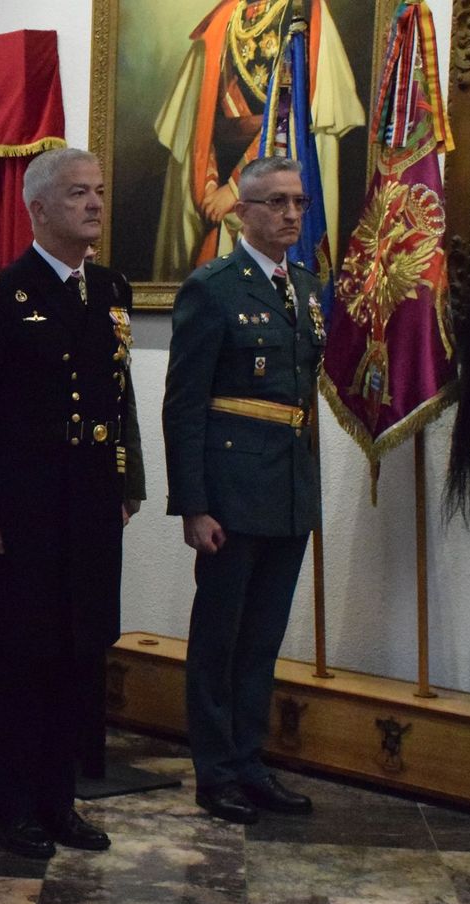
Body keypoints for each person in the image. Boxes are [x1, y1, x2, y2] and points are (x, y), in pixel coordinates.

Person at [0, 147, 146, 860]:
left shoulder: (109, 290)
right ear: (37, 209)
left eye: (99, 191)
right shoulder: (2, 295)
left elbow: (116, 404)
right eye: (77, 194)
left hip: (89, 504)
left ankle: (62, 802)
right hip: (22, 510)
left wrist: (119, 485)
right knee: (24, 660)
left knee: (79, 654)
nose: (94, 204)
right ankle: (17, 806)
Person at [164, 154, 320, 826]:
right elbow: (185, 404)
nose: (289, 215)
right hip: (231, 489)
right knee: (220, 638)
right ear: (242, 212)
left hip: (287, 486)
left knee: (262, 638)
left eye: (297, 204)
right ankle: (216, 770)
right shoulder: (215, 287)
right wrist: (194, 505)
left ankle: (251, 762)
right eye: (276, 203)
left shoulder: (307, 288)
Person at [151, 0, 362, 280]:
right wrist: (212, 186)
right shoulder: (224, 19)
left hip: (272, 182)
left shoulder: (304, 13)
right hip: (219, 182)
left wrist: (235, 190)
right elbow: (203, 129)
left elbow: (294, 120)